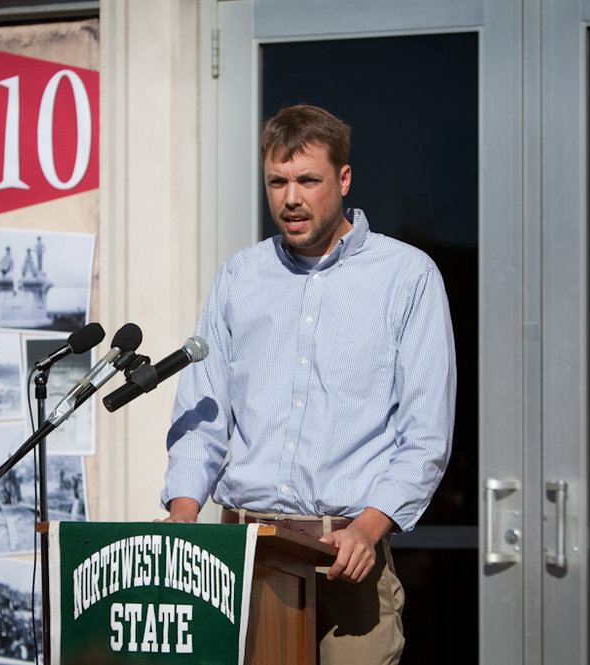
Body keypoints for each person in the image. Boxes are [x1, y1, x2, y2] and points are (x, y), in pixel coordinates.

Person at [160, 104, 456, 663]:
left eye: (307, 180)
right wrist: (183, 513)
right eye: (277, 181)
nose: (290, 197)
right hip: (245, 559)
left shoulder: (406, 276)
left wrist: (369, 529)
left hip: (349, 559)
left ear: (343, 179)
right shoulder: (240, 277)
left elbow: (426, 437)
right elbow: (203, 410)